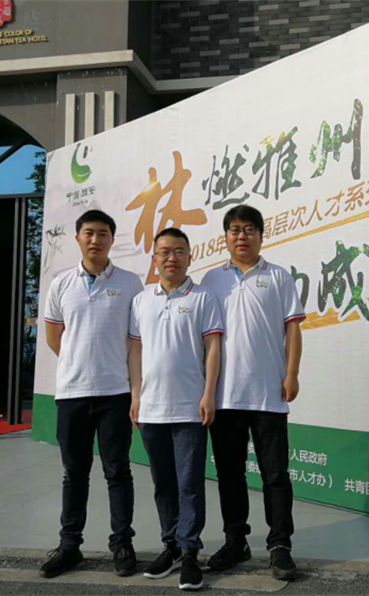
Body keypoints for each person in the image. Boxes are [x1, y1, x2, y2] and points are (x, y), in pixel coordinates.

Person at [201, 205, 305, 581]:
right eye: (234, 229)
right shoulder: (211, 280)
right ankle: (236, 541)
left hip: (268, 395)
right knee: (230, 474)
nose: (241, 236)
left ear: (261, 235)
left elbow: (292, 329)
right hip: (225, 396)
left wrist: (291, 374)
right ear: (225, 237)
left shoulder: (278, 276)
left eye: (249, 229)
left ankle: (280, 546)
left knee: (275, 475)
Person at [39, 210, 144, 579]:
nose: (95, 239)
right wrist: (78, 362)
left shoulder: (130, 283)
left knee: (118, 471)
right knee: (74, 474)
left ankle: (122, 544)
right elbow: (55, 338)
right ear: (78, 238)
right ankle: (69, 546)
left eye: (102, 233)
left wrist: (134, 390)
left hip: (115, 393)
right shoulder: (60, 283)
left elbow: (136, 342)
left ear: (112, 239)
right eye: (89, 232)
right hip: (72, 394)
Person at [128, 228, 223, 591]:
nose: (172, 258)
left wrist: (208, 394)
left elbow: (213, 348)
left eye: (179, 251)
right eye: (165, 252)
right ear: (154, 258)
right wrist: (135, 396)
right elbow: (136, 351)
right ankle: (171, 546)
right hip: (151, 409)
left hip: (189, 408)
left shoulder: (203, 297)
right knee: (163, 484)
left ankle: (190, 552)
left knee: (190, 484)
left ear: (189, 256)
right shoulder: (141, 301)